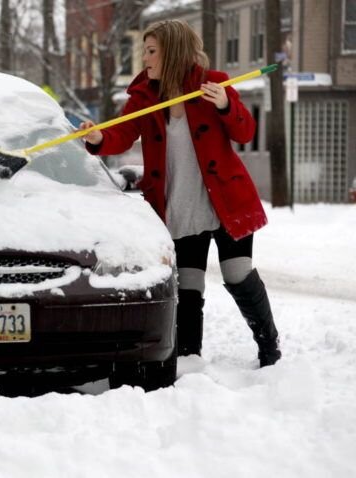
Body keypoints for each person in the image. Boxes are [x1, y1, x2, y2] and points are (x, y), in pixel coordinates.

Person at [79, 19, 281, 367]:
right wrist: (99, 138)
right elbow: (123, 134)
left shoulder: (213, 85)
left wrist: (224, 106)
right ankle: (189, 357)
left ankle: (269, 344)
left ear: (172, 52)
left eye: (152, 50)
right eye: (145, 50)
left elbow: (245, 131)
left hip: (224, 203)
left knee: (238, 274)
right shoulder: (144, 96)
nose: (145, 57)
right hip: (180, 205)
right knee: (188, 287)